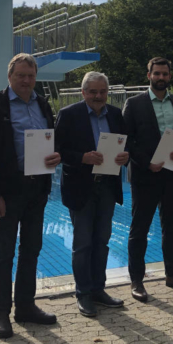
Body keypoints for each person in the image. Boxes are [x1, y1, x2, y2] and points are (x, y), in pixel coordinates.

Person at [0, 53, 61, 339]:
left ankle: (25, 306)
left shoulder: (43, 104)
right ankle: (0, 311)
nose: (26, 80)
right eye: (21, 75)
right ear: (10, 76)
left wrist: (55, 157)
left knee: (32, 250)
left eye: (30, 75)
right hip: (9, 192)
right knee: (4, 254)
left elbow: (51, 141)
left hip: (37, 189)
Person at [55, 71, 129, 317]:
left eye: (103, 92)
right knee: (83, 244)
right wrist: (82, 158)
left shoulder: (116, 115)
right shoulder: (68, 115)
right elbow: (57, 151)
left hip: (107, 186)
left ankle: (99, 289)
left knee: (102, 241)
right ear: (83, 92)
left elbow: (125, 145)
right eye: (93, 92)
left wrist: (125, 156)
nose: (98, 96)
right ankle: (83, 293)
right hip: (81, 187)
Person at [122, 57, 173, 302]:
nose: (161, 78)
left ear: (169, 76)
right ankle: (137, 281)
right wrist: (146, 162)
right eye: (157, 74)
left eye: (165, 74)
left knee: (171, 227)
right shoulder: (134, 104)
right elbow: (126, 139)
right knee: (139, 230)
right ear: (149, 75)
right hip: (145, 175)